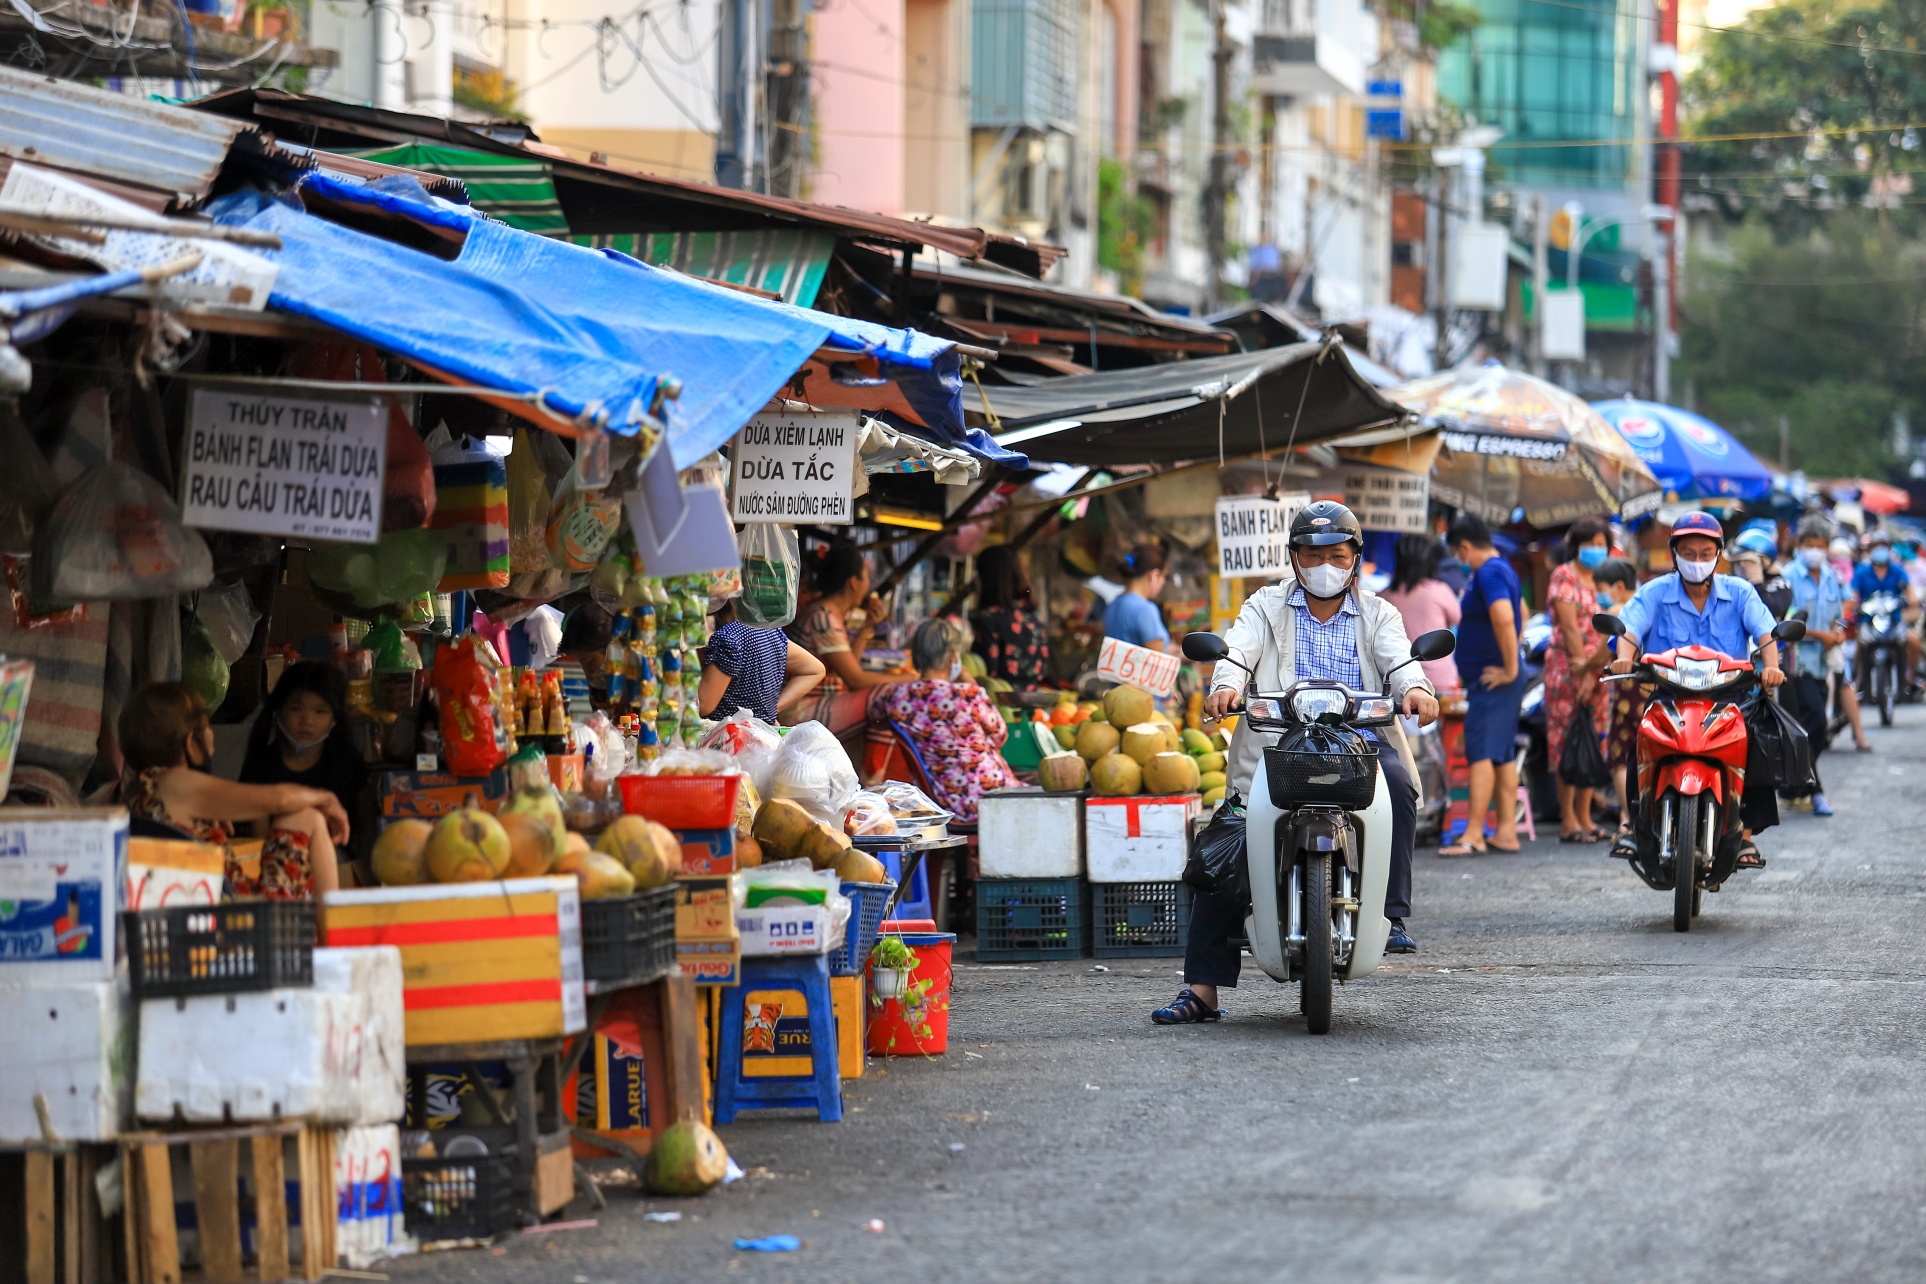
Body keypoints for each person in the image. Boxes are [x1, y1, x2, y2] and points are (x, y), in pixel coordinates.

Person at [1151, 501, 1439, 1024]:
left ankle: (1391, 915)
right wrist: (1226, 685)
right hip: (1277, 745)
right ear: (1294, 557)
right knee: (1227, 842)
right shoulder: (1264, 605)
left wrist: (1416, 688)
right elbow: (1237, 650)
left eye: (1335, 553)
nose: (1324, 564)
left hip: (1360, 743)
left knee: (1397, 783)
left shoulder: (1379, 613)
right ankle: (1201, 992)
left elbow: (1400, 659)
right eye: (1312, 554)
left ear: (1355, 557)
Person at [1608, 511, 1784, 869]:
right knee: (1640, 745)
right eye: (1688, 553)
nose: (1697, 561)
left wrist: (1773, 668)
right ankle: (1635, 825)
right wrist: (1624, 659)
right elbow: (1628, 628)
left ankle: (1745, 837)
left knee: (1756, 746)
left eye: (1706, 554)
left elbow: (1766, 632)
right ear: (1675, 554)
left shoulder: (1739, 591)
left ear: (1718, 554)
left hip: (1729, 697)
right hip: (1669, 696)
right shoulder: (1655, 592)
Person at [121, 682, 349, 897]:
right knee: (307, 817)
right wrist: (326, 799)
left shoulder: (142, 790)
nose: (212, 735)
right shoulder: (177, 782)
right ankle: (333, 930)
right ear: (191, 743)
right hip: (232, 912)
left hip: (202, 905)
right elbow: (280, 799)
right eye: (207, 728)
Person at [871, 620, 1019, 823]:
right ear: (952, 658)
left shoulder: (897, 696)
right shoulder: (970, 694)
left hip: (941, 801)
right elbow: (1000, 736)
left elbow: (875, 714)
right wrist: (969, 681)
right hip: (990, 796)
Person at [1439, 513, 1525, 856]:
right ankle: (1506, 831)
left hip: (1495, 681)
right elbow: (1523, 610)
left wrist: (1508, 667)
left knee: (1480, 753)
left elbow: (1505, 615)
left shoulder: (1489, 572)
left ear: (1463, 547)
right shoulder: (1501, 569)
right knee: (1501, 755)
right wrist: (1513, 661)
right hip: (1496, 679)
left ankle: (1474, 833)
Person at [238, 662, 370, 858]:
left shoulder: (347, 762)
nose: (307, 720)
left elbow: (367, 824)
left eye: (320, 711)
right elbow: (260, 835)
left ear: (334, 719)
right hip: (276, 858)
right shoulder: (261, 763)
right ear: (278, 711)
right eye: (296, 709)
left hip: (334, 859)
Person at [784, 541, 911, 739]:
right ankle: (872, 770)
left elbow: (850, 670)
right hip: (801, 711)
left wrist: (867, 627)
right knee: (885, 695)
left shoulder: (826, 614)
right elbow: (855, 679)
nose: (869, 584)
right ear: (853, 582)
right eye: (867, 577)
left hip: (817, 705)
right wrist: (911, 679)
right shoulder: (822, 618)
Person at [1544, 517, 1611, 843]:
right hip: (1566, 670)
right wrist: (1582, 671)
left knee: (1593, 741)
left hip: (1600, 671)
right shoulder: (1564, 575)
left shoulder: (1604, 579)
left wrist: (1594, 674)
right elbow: (1570, 629)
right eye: (1591, 544)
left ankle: (1585, 817)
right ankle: (1568, 819)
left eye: (1602, 544)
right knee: (1565, 740)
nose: (1597, 550)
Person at [1783, 518, 1851, 815]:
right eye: (1809, 545)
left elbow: (1841, 613)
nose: (1815, 551)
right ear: (1799, 547)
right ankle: (1816, 791)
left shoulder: (1831, 577)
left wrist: (1838, 632)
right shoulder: (1788, 577)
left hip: (1824, 664)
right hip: (1796, 663)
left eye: (1820, 546)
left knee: (1817, 731)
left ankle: (1793, 784)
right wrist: (1819, 635)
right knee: (1815, 724)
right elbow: (1783, 622)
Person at [699, 598, 826, 724]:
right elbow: (814, 670)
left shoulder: (728, 638)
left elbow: (703, 706)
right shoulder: (769, 631)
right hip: (759, 735)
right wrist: (768, 711)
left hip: (727, 737)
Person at [1591, 558, 1641, 844]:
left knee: (1620, 757)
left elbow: (1601, 657)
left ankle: (1631, 819)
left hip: (1627, 694)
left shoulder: (1618, 611)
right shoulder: (1650, 606)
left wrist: (1584, 667)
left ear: (1618, 588)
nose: (1600, 596)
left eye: (1601, 589)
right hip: (1654, 690)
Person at [1380, 533, 1462, 694]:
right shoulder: (1439, 591)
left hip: (1402, 684)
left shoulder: (1383, 597)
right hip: (1441, 681)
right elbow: (1461, 621)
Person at [1850, 530, 1921, 696]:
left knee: (1913, 641)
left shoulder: (1898, 570)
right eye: (1876, 547)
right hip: (1868, 620)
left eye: (1883, 547)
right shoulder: (1861, 571)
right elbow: (1853, 596)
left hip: (1894, 619)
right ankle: (1858, 680)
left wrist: (1911, 600)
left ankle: (1909, 677)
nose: (1879, 550)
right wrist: (1853, 606)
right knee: (1861, 644)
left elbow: (1910, 593)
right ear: (1870, 550)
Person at [970, 545, 1049, 690]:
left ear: (987, 577)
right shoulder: (1035, 617)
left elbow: (985, 672)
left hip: (996, 704)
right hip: (1031, 704)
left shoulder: (988, 619)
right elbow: (1042, 669)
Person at [1103, 544, 1170, 652]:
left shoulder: (1113, 604)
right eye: (1164, 576)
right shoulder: (1145, 609)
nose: (1163, 582)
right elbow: (1159, 659)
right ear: (1154, 575)